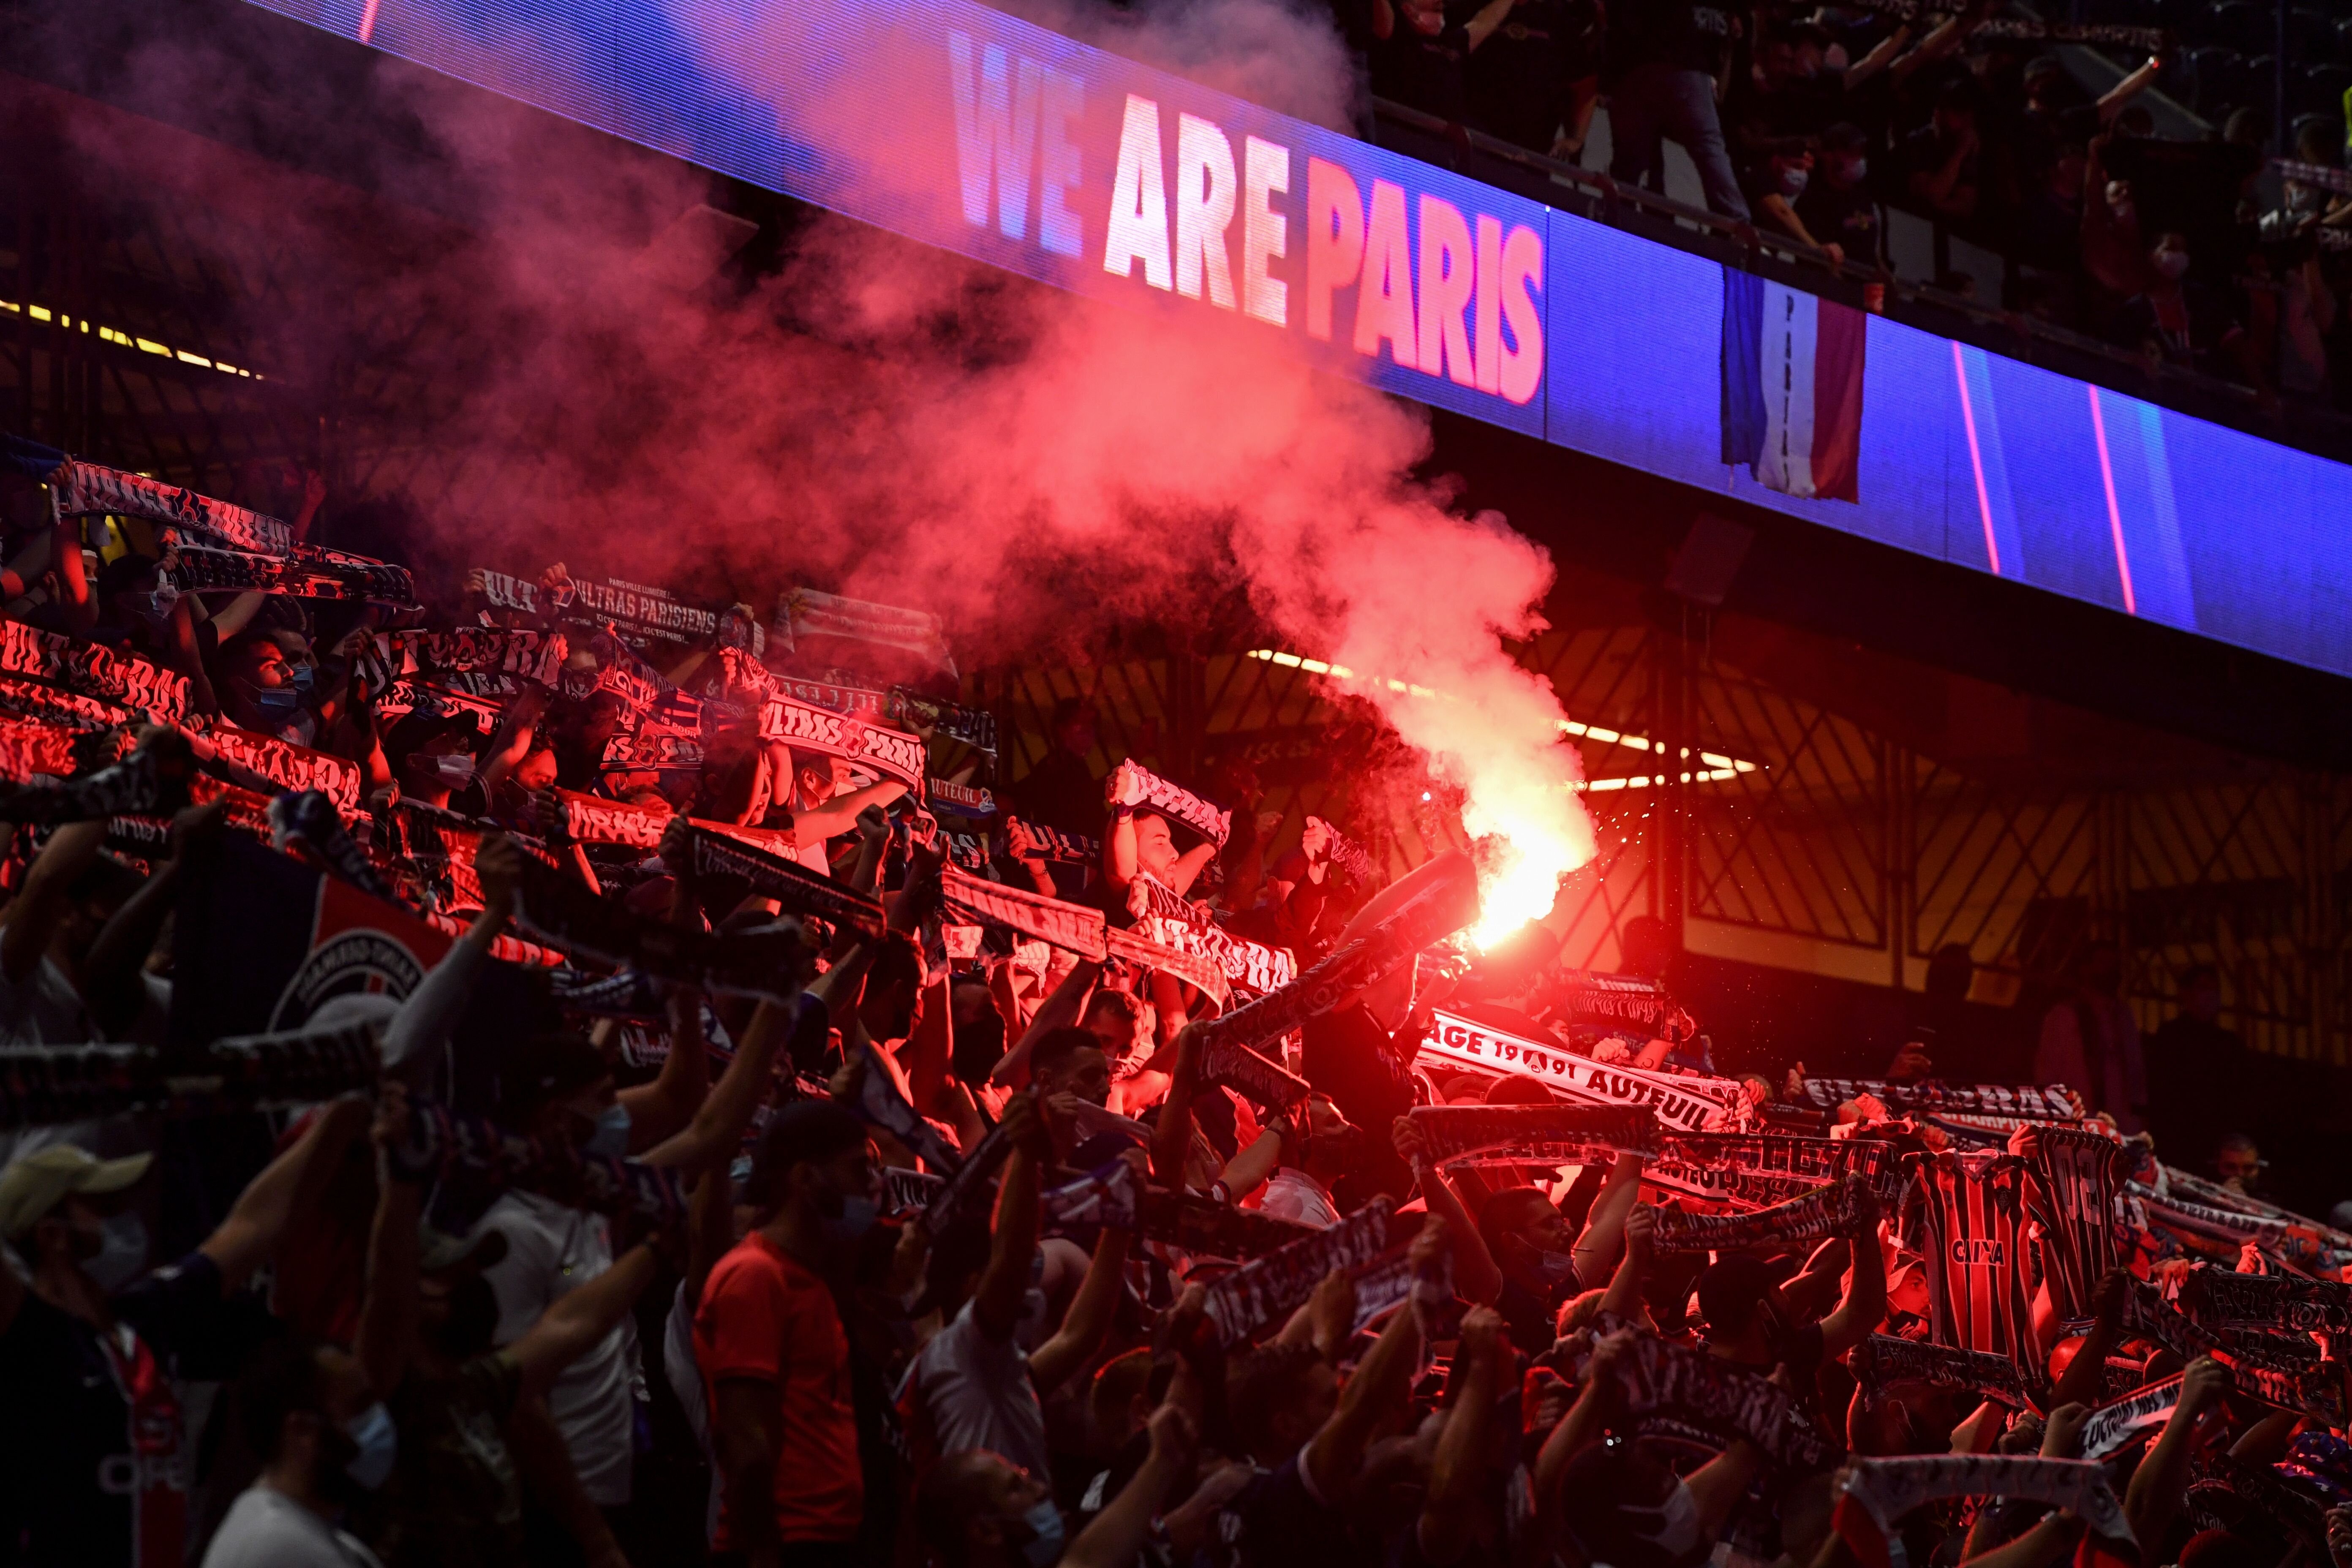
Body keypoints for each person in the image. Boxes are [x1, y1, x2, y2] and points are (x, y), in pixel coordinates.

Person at [0, 1105, 370, 1568]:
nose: (125, 1218)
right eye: (103, 1208)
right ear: (52, 1235)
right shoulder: (27, 1338)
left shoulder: (150, 1318)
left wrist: (338, 1118)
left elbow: (256, 1225)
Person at [695, 1099, 876, 1568]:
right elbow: (746, 1439)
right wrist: (764, 1551)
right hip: (784, 1546)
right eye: (858, 1170)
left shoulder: (811, 1278)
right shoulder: (756, 1276)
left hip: (825, 1539)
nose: (871, 1187)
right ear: (805, 1178)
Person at [201, 1338, 395, 1568]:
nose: (379, 1422)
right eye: (360, 1409)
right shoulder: (279, 1544)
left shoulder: (310, 1532)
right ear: (302, 1431)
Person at [1606, 0, 1750, 219]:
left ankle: (1618, 209)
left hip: (1656, 68)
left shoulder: (1729, 14)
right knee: (1707, 144)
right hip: (1676, 68)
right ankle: (1737, 218)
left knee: (1634, 153)